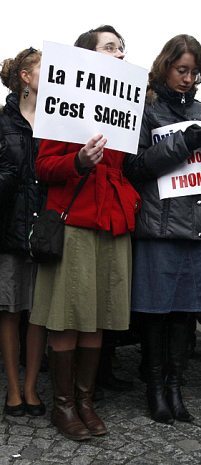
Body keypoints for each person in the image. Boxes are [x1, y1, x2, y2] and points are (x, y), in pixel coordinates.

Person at [29, 25, 140, 441]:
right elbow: (43, 168)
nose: (120, 54)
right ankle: (63, 406)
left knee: (97, 316)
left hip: (112, 221)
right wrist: (78, 160)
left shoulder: (125, 111)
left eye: (122, 48)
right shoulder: (61, 106)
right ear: (87, 58)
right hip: (75, 220)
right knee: (66, 316)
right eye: (110, 47)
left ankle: (85, 400)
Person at [124, 34, 201, 424]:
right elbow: (135, 168)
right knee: (156, 312)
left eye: (194, 71)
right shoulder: (145, 106)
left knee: (185, 313)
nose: (188, 78)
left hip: (199, 225)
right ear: (164, 65)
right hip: (160, 224)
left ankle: (175, 386)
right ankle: (154, 387)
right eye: (181, 70)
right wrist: (182, 143)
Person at [0, 47, 47, 417]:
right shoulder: (3, 123)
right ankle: (13, 389)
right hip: (9, 230)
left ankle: (31, 387)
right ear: (26, 78)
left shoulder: (57, 122)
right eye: (45, 69)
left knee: (37, 313)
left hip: (45, 231)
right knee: (11, 311)